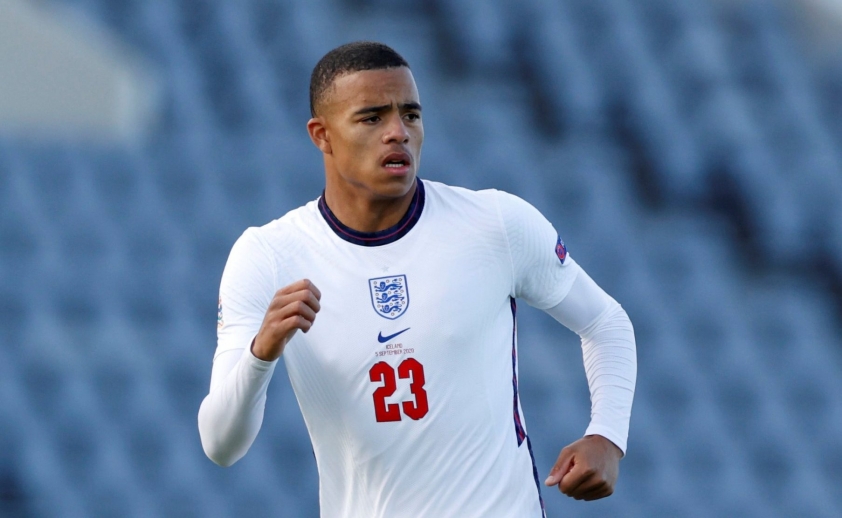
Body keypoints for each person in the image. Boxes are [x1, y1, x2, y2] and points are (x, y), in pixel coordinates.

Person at [198, 41, 636, 518]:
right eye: (372, 118)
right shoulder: (269, 256)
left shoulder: (494, 222)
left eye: (410, 114)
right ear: (322, 135)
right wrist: (261, 352)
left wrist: (607, 435)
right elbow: (221, 445)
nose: (398, 133)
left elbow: (605, 322)